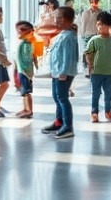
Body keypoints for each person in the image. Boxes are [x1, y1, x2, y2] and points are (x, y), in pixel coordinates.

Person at [41, 7, 79, 139]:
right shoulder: (62, 35)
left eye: (57, 18)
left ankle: (68, 126)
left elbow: (69, 57)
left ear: (64, 20)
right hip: (57, 72)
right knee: (57, 97)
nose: (54, 20)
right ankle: (59, 122)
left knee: (63, 98)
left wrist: (63, 72)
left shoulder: (68, 36)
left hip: (64, 73)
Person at [85, 12, 111, 123]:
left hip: (109, 73)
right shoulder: (94, 40)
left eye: (103, 25)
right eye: (99, 24)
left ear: (109, 26)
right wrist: (90, 64)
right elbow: (88, 53)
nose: (100, 27)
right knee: (95, 94)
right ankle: (94, 112)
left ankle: (108, 112)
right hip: (96, 72)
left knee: (109, 93)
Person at [14, 21, 37, 119]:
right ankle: (25, 108)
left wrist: (23, 70)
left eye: (19, 32)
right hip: (21, 71)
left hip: (25, 72)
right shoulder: (23, 43)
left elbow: (28, 59)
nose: (17, 34)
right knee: (23, 92)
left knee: (26, 92)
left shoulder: (27, 44)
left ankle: (29, 110)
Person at [78, 0, 101, 71]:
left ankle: (93, 69)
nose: (94, 3)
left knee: (95, 53)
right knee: (87, 53)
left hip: (96, 35)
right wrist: (82, 35)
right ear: (90, 3)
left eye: (96, 2)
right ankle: (88, 68)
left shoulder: (100, 13)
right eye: (92, 2)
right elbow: (83, 24)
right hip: (87, 35)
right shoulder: (86, 13)